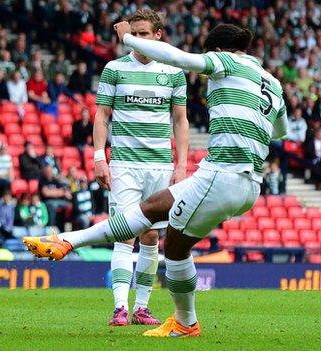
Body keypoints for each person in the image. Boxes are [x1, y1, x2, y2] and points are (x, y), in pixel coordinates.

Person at [23, 23, 288, 338]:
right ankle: (68, 241)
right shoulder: (272, 82)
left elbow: (178, 58)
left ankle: (186, 323)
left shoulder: (225, 61)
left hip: (224, 173)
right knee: (153, 208)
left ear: (216, 50)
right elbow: (281, 131)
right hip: (249, 183)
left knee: (175, 246)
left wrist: (128, 38)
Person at [95, 10, 190, 328]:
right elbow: (102, 116)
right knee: (124, 235)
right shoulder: (115, 69)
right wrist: (99, 157)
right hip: (124, 164)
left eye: (145, 34)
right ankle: (120, 307)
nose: (139, 40)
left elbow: (180, 120)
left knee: (150, 237)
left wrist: (182, 164)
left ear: (158, 35)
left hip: (160, 166)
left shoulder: (173, 71)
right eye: (133, 34)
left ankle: (142, 308)